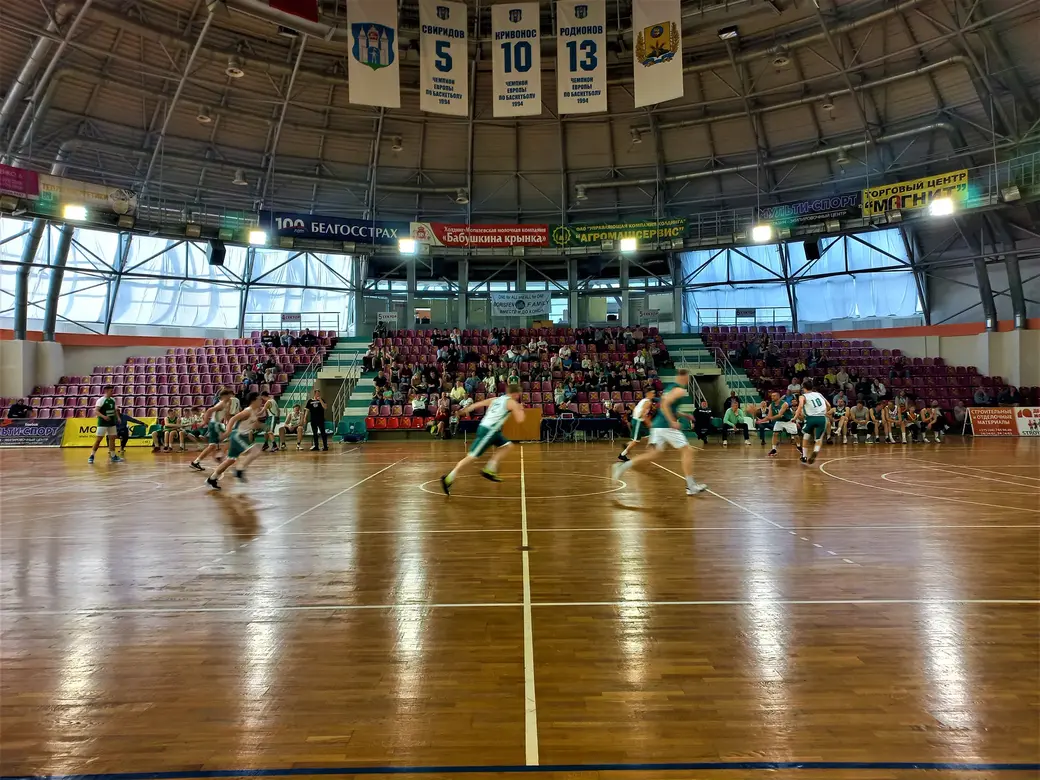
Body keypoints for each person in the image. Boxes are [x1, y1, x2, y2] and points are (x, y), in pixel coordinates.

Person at [611, 369, 707, 497]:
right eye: (688, 377)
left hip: (657, 426)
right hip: (666, 426)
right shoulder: (679, 390)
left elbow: (668, 406)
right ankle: (691, 486)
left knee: (653, 455)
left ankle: (622, 467)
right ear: (684, 377)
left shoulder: (669, 389)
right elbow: (665, 405)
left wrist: (684, 415)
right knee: (687, 451)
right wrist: (672, 421)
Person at [441, 384, 525, 494]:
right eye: (518, 394)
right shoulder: (512, 403)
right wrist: (520, 409)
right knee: (471, 457)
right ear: (515, 394)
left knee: (507, 446)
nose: (518, 397)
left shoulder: (496, 399)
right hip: (489, 431)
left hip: (490, 430)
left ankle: (490, 469)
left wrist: (463, 411)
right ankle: (448, 478)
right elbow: (520, 420)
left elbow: (477, 404)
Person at [206, 392, 263, 489]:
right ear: (253, 400)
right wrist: (228, 431)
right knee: (256, 450)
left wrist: (263, 426)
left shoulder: (254, 411)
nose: (261, 401)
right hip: (237, 436)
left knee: (230, 460)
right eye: (259, 399)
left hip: (242, 436)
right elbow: (233, 418)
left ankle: (212, 478)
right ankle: (239, 470)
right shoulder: (247, 411)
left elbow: (255, 424)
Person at [189, 389, 235, 471]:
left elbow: (227, 415)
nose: (230, 397)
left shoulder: (228, 403)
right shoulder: (221, 404)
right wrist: (204, 422)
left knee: (230, 438)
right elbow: (209, 410)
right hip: (214, 425)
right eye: (229, 395)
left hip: (217, 425)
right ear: (224, 396)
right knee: (213, 445)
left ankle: (218, 455)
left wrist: (230, 423)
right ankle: (197, 462)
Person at [795, 379, 830, 465]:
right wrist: (824, 412)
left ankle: (804, 456)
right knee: (818, 439)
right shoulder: (819, 394)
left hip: (810, 418)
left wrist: (795, 417)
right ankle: (816, 450)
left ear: (804, 388)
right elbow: (828, 405)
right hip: (822, 418)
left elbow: (800, 406)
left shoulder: (802, 396)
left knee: (806, 436)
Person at [88, 385, 123, 464]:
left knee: (112, 439)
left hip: (112, 423)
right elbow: (96, 411)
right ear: (106, 391)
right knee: (98, 440)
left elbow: (115, 410)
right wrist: (104, 417)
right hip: (102, 423)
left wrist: (118, 418)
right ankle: (91, 456)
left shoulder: (113, 400)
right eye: (111, 391)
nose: (112, 392)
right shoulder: (101, 400)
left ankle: (113, 456)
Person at [618, 389, 656, 462]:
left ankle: (650, 453)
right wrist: (649, 423)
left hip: (638, 421)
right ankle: (622, 455)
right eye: (652, 393)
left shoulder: (643, 400)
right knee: (636, 441)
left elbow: (636, 410)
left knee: (649, 436)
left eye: (654, 393)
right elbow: (642, 414)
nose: (654, 395)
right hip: (638, 421)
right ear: (648, 393)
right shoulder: (647, 402)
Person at [765, 389, 801, 459]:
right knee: (775, 434)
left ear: (778, 396)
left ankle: (799, 446)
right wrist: (764, 419)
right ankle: (774, 449)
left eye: (774, 396)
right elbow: (770, 415)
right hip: (779, 421)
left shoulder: (784, 403)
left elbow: (779, 414)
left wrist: (769, 418)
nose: (772, 397)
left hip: (788, 421)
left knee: (796, 436)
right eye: (772, 396)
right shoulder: (771, 405)